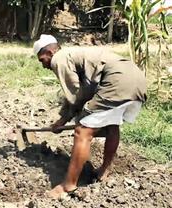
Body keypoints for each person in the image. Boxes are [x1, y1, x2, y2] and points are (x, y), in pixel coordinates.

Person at [33, 34, 147, 199]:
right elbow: (86, 90)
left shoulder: (59, 58)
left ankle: (68, 185)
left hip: (117, 80)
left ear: (50, 52)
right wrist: (63, 120)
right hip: (136, 78)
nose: (44, 66)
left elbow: (75, 94)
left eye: (42, 60)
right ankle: (104, 171)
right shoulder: (76, 54)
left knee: (82, 131)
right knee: (111, 126)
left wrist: (69, 119)